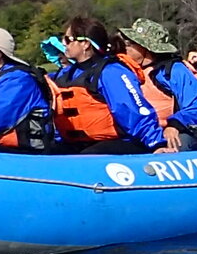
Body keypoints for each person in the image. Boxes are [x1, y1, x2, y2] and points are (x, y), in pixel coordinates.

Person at [44, 16, 170, 153]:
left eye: (68, 40)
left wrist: (157, 143)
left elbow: (132, 110)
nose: (63, 43)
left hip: (115, 143)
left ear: (85, 44)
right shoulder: (65, 75)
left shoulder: (111, 72)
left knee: (86, 157)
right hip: (77, 144)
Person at [114, 19, 197, 150]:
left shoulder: (174, 71)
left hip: (175, 131)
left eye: (130, 44)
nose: (125, 48)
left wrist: (174, 125)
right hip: (142, 134)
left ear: (146, 48)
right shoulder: (122, 71)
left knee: (179, 143)